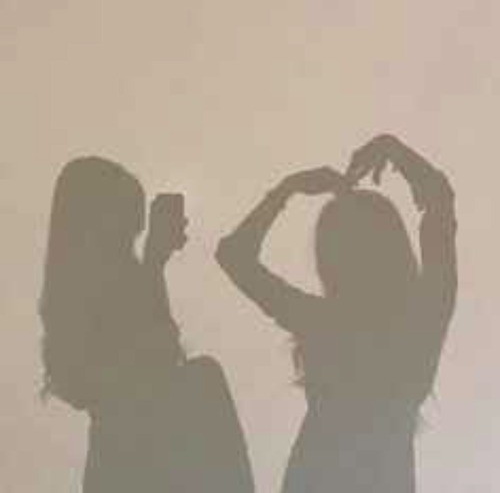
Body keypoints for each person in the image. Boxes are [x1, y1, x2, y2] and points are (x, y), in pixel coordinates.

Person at [216, 135, 457, 492]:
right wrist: (394, 150)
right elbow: (439, 201)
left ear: (331, 259)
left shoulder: (321, 323)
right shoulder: (422, 321)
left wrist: (285, 191)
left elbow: (234, 255)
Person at [39, 157, 254, 493]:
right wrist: (153, 263)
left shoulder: (75, 294)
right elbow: (153, 364)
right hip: (145, 462)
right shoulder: (94, 293)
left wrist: (154, 263)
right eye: (124, 233)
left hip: (126, 463)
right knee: (205, 375)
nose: (128, 246)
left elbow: (155, 358)